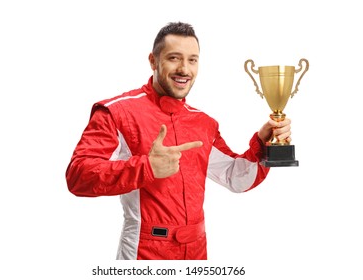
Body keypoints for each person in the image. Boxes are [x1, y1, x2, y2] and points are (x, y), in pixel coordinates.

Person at [65, 22, 292, 260]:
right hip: (144, 254)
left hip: (197, 253)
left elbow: (235, 178)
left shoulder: (204, 123)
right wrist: (147, 167)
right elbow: (78, 176)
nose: (184, 69)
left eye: (192, 60)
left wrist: (264, 145)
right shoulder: (117, 112)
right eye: (174, 58)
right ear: (153, 61)